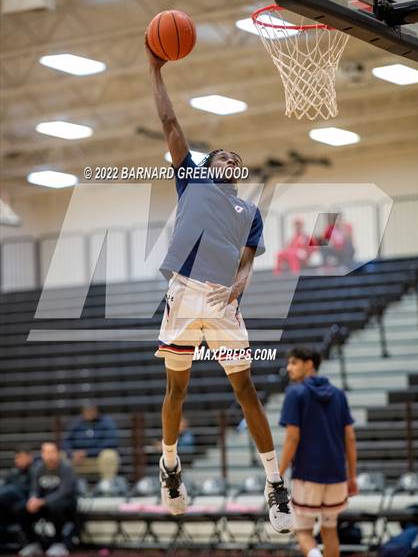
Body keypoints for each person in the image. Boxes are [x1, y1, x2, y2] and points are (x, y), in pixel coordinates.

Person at [145, 38, 292, 534]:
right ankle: (169, 465)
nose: (229, 155)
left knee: (246, 389)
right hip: (184, 294)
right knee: (177, 390)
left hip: (223, 302)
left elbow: (248, 261)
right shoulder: (191, 180)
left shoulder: (249, 213)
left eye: (236, 155)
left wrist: (241, 285)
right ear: (207, 168)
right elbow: (169, 124)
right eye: (221, 153)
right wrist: (155, 69)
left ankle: (275, 485)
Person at [278, 347, 358, 557]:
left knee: (303, 531)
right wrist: (352, 476)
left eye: (294, 362)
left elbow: (292, 438)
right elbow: (350, 438)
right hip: (337, 476)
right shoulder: (339, 394)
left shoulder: (295, 393)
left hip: (307, 474)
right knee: (330, 530)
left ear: (309, 364)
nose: (288, 368)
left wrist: (277, 473)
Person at [19, 442, 78, 557]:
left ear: (57, 453)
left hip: (66, 504)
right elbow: (34, 488)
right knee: (22, 508)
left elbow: (63, 492)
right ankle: (33, 542)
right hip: (43, 503)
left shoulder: (66, 468)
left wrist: (43, 501)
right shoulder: (38, 468)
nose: (49, 455)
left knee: (56, 506)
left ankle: (59, 543)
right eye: (46, 452)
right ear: (42, 454)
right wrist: (32, 499)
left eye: (52, 452)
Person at [62, 403, 120, 481]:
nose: (89, 413)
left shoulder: (106, 422)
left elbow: (112, 441)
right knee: (60, 456)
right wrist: (72, 453)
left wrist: (87, 452)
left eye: (91, 410)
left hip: (98, 458)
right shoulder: (76, 423)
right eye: (86, 411)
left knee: (109, 455)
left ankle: (107, 485)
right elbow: (66, 441)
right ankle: (65, 486)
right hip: (78, 459)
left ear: (96, 411)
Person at [0, 447, 33, 533]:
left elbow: (34, 490)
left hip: (26, 500)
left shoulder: (35, 471)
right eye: (17, 457)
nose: (18, 460)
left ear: (29, 457)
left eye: (21, 457)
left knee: (12, 489)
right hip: (9, 503)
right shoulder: (13, 472)